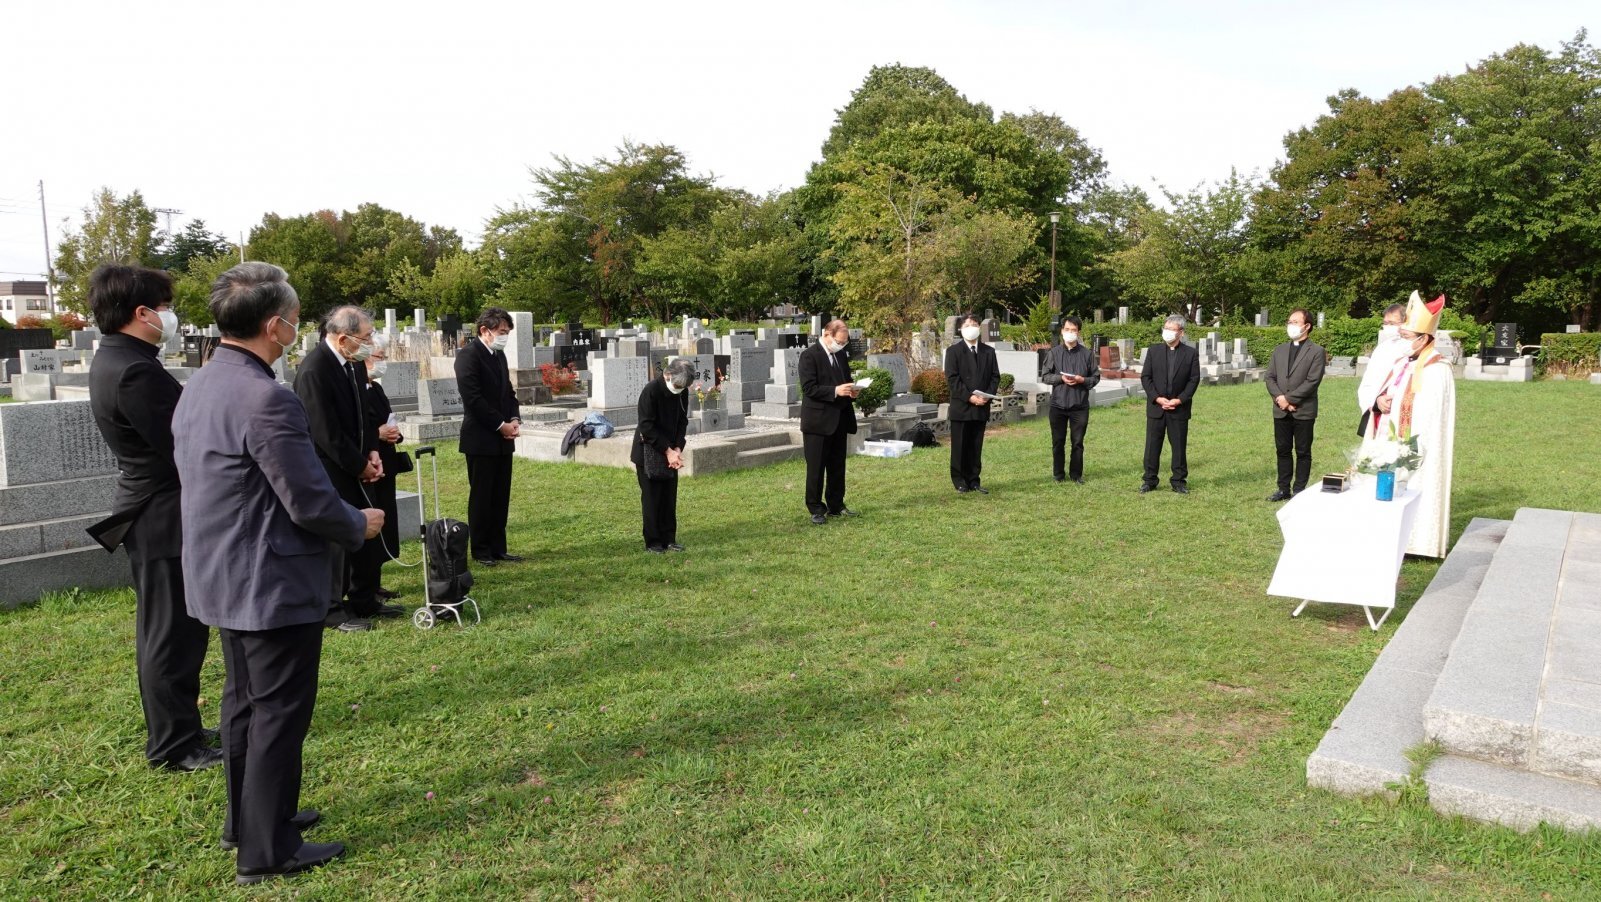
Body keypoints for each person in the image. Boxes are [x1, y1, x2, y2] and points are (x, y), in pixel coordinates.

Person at [172, 261, 382, 885]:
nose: (296, 326)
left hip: (223, 571)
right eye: (293, 317)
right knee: (278, 712)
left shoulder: (201, 383)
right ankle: (267, 850)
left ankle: (253, 819)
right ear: (276, 326)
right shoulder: (267, 397)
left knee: (244, 705)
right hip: (268, 578)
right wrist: (359, 523)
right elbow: (309, 499)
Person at [85, 264, 219, 772]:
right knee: (171, 633)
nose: (170, 315)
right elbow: (182, 443)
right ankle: (173, 744)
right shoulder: (135, 369)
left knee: (175, 629)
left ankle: (181, 726)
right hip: (160, 513)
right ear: (141, 314)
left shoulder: (120, 359)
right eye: (163, 306)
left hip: (155, 508)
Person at [294, 306, 395, 629]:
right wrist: (359, 464)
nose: (371, 342)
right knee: (338, 538)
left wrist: (373, 452)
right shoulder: (315, 370)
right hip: (331, 468)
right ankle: (333, 609)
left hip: (360, 461)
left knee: (367, 528)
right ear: (342, 338)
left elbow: (362, 417)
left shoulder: (350, 364)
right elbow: (326, 432)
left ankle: (364, 599)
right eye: (366, 337)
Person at [1365, 291, 1457, 558]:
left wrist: (1406, 430)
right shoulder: (1404, 362)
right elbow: (1387, 388)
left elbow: (1429, 410)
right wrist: (1380, 400)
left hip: (1420, 439)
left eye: (1407, 337)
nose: (1403, 342)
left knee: (1420, 483)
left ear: (1424, 338)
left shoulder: (1437, 369)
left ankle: (1419, 541)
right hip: (1394, 436)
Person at [456, 307, 522, 567]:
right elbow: (473, 399)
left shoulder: (498, 355)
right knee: (482, 495)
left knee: (500, 495)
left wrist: (514, 419)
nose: (505, 336)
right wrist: (500, 424)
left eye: (506, 332)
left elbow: (508, 392)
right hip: (481, 438)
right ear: (485, 330)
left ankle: (498, 547)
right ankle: (481, 549)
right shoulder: (468, 357)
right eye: (501, 332)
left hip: (503, 439)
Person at [799, 319, 859, 524]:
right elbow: (809, 388)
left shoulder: (840, 355)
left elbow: (846, 380)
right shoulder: (809, 356)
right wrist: (835, 391)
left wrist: (852, 391)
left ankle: (836, 504)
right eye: (838, 342)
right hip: (817, 421)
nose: (841, 346)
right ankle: (815, 508)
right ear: (826, 335)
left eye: (844, 343)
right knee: (816, 467)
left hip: (839, 418)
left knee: (837, 465)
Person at [632, 358, 693, 552]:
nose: (678, 390)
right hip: (649, 448)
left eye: (682, 387)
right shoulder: (651, 391)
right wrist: (666, 450)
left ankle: (669, 539)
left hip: (671, 451)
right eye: (676, 385)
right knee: (652, 498)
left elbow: (682, 421)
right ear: (668, 375)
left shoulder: (682, 392)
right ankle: (653, 542)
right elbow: (646, 426)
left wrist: (677, 448)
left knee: (669, 497)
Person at [1264, 308, 1327, 501]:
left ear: (1307, 326)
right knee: (1282, 450)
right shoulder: (1280, 350)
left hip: (1303, 410)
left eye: (1295, 322)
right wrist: (1281, 399)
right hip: (1281, 410)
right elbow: (1270, 377)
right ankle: (1283, 488)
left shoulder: (1316, 351)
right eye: (1289, 322)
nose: (1290, 325)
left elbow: (1312, 381)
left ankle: (1299, 490)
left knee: (1302, 451)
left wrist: (1290, 399)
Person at [361, 340, 408, 592]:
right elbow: (357, 427)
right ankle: (366, 583)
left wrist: (393, 433)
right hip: (368, 464)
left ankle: (376, 581)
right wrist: (376, 433)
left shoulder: (376, 390)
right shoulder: (356, 390)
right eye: (379, 356)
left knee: (385, 520)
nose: (382, 362)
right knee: (371, 520)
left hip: (387, 462)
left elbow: (388, 418)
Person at [1139, 314, 1200, 494]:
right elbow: (1146, 377)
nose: (1167, 332)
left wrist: (1179, 399)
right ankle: (1149, 480)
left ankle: (1178, 481)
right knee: (1152, 445)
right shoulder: (1154, 351)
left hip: (1178, 408)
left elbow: (1193, 380)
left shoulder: (1190, 354)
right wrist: (1157, 398)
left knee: (1179, 446)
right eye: (1165, 328)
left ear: (1180, 333)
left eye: (1171, 329)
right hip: (1156, 407)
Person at [1038, 316, 1101, 483]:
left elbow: (1095, 377)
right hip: (1058, 405)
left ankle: (1076, 475)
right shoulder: (1054, 353)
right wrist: (1060, 379)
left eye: (1074, 330)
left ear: (1078, 332)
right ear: (1062, 331)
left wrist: (1082, 380)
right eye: (1067, 329)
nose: (1070, 333)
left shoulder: (1087, 354)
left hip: (1079, 406)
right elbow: (1045, 376)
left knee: (1077, 442)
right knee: (1058, 441)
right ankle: (1058, 474)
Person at [943, 313, 1000, 494]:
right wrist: (969, 397)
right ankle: (959, 480)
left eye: (974, 324)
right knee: (960, 445)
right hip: (962, 406)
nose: (971, 328)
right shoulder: (953, 352)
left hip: (982, 405)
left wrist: (986, 396)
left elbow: (994, 376)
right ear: (961, 329)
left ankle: (974, 480)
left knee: (976, 445)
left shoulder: (988, 352)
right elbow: (952, 379)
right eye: (967, 325)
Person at [1355, 302, 1408, 437]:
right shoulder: (1382, 349)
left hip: (1402, 414)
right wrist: (1376, 400)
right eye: (1385, 323)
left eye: (1392, 323)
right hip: (1378, 412)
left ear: (1405, 322)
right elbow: (1369, 381)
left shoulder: (1412, 348)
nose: (1387, 327)